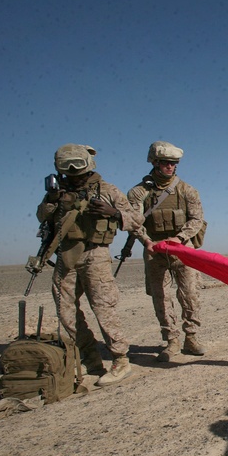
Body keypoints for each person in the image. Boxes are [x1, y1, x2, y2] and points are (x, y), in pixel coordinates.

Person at [37, 144, 144, 386]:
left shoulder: (106, 190)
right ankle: (89, 358)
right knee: (66, 311)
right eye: (70, 173)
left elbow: (137, 218)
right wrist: (52, 201)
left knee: (103, 308)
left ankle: (120, 360)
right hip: (66, 255)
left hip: (95, 255)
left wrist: (113, 213)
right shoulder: (57, 191)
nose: (75, 177)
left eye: (79, 172)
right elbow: (42, 216)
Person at [127, 141, 206, 362]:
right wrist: (146, 240)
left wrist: (179, 238)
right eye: (166, 163)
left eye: (174, 163)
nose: (170, 167)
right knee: (160, 298)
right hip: (154, 250)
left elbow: (197, 219)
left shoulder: (187, 190)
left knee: (190, 294)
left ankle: (191, 337)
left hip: (183, 249)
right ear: (154, 163)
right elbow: (133, 221)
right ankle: (171, 340)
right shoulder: (138, 193)